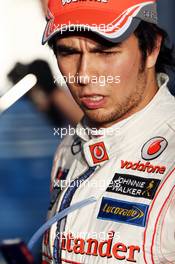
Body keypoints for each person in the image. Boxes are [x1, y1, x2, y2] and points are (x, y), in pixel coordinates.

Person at [41, 0, 175, 263]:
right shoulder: (71, 145)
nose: (85, 75)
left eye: (105, 51)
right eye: (68, 52)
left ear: (152, 48)